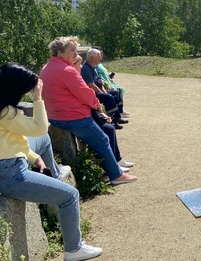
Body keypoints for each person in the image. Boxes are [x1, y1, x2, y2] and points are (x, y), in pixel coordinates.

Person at [0, 62, 102, 261]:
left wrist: (34, 157)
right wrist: (38, 98)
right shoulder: (6, 112)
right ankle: (74, 249)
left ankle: (54, 178)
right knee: (70, 196)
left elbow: (9, 141)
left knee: (43, 141)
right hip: (8, 174)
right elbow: (40, 128)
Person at [39, 36, 137, 185]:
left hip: (55, 117)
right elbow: (86, 94)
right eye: (71, 50)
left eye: (76, 50)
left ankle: (110, 170)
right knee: (102, 140)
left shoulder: (47, 68)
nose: (76, 53)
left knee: (102, 136)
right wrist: (97, 105)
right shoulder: (67, 70)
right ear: (59, 53)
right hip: (74, 117)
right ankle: (116, 175)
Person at [72, 55, 133, 171]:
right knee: (108, 129)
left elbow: (96, 87)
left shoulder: (80, 74)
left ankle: (118, 159)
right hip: (81, 116)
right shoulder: (76, 77)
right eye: (78, 64)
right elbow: (88, 94)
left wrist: (101, 112)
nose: (81, 66)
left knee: (109, 127)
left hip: (88, 111)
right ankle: (113, 164)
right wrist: (99, 110)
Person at [81, 48, 127, 128]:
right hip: (92, 93)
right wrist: (102, 93)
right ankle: (114, 121)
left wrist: (104, 92)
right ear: (92, 58)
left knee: (115, 93)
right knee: (108, 97)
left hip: (98, 90)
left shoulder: (93, 67)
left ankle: (118, 115)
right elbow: (91, 85)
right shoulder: (86, 68)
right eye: (98, 56)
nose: (101, 57)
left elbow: (99, 82)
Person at [91, 46, 129, 117]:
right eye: (99, 54)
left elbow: (102, 75)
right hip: (103, 84)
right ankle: (117, 112)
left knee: (119, 89)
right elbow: (96, 79)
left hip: (107, 81)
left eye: (102, 53)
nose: (101, 55)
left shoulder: (99, 64)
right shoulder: (93, 66)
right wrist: (104, 87)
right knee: (115, 90)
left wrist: (109, 76)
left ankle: (120, 110)